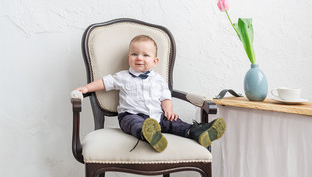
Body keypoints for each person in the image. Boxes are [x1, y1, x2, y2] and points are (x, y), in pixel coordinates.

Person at [75, 35, 225, 152]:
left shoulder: (158, 80)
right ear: (129, 58)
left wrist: (169, 111)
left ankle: (198, 132)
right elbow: (104, 82)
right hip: (130, 115)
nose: (139, 58)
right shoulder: (122, 76)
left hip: (157, 116)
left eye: (145, 55)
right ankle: (149, 134)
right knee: (134, 124)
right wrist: (87, 88)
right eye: (134, 54)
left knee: (174, 123)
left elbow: (165, 97)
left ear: (155, 61)